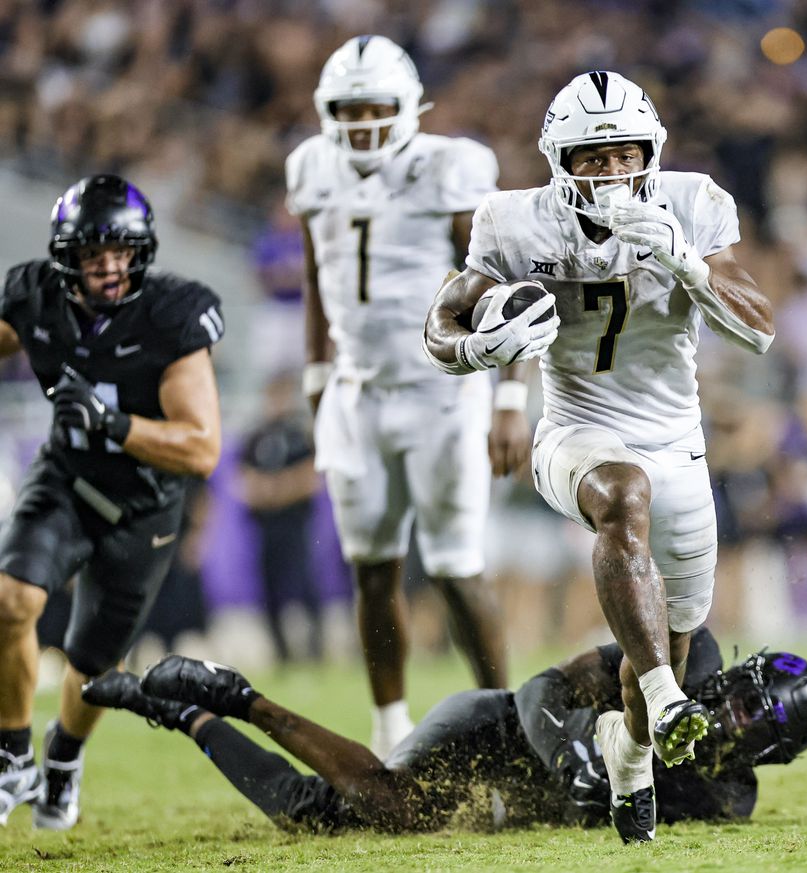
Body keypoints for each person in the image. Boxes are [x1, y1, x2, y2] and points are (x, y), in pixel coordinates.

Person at [423, 70, 774, 842]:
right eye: (593, 156)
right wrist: (477, 348)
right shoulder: (515, 222)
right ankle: (662, 693)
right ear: (560, 161)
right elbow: (443, 320)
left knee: (673, 640)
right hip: (577, 432)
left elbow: (760, 326)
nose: (613, 172)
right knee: (622, 493)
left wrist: (689, 261)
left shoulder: (692, 203)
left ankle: (632, 742)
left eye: (626, 154)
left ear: (652, 153)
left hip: (678, 442)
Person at [288, 35, 529, 755]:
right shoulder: (310, 166)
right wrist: (316, 372)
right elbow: (315, 277)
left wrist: (510, 396)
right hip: (358, 390)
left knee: (456, 567)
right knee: (370, 567)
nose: (362, 125)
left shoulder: (449, 165)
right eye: (348, 110)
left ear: (409, 108)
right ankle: (390, 730)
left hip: (442, 389)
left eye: (376, 109)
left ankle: (505, 730)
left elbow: (501, 279)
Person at [80, 628, 807, 835]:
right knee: (389, 806)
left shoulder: (726, 797)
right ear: (733, 672)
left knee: (322, 817)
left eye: (752, 723)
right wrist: (569, 746)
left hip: (522, 792)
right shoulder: (679, 653)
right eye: (740, 696)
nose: (731, 715)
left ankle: (189, 711)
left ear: (773, 755)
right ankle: (244, 699)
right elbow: (542, 684)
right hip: (500, 729)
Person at [0, 175, 224, 829]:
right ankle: (12, 756)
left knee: (93, 668)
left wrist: (112, 422)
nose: (110, 265)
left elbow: (202, 447)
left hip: (142, 505)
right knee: (12, 599)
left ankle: (63, 756)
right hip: (65, 479)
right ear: (65, 255)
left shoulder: (171, 314)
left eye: (122, 251)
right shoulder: (35, 297)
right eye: (94, 252)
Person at [237, 372, 323, 663]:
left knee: (305, 587)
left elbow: (313, 477)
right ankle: (282, 652)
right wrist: (267, 490)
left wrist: (280, 488)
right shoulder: (257, 435)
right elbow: (242, 482)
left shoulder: (300, 434)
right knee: (270, 592)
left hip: (295, 526)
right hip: (266, 529)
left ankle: (315, 648)